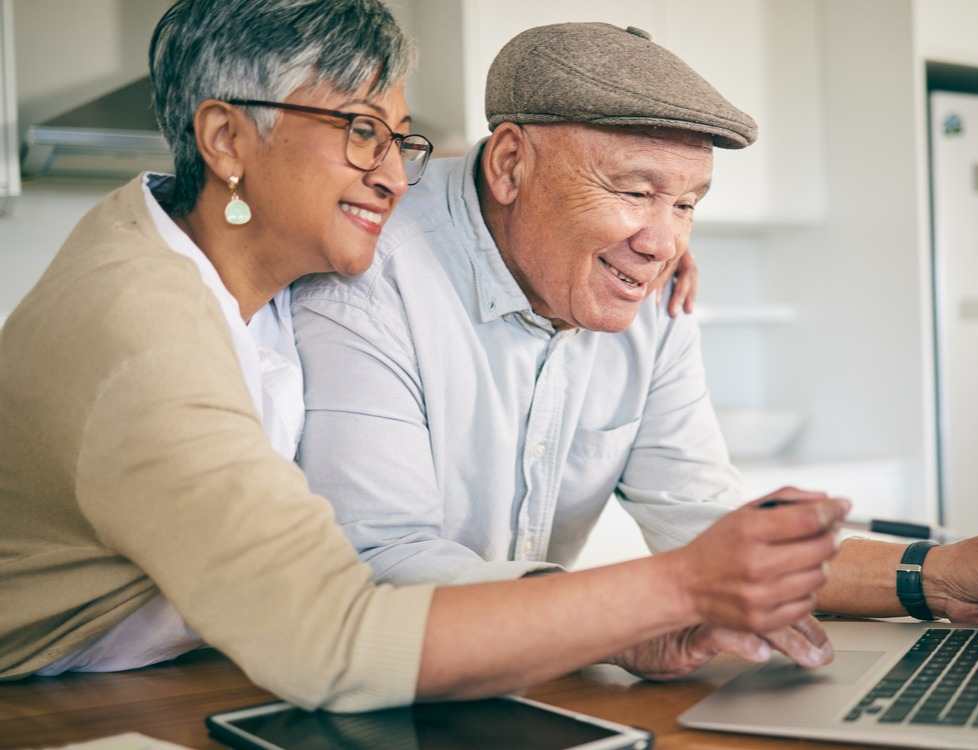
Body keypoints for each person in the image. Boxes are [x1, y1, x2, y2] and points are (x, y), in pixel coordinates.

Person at [0, 0, 848, 711]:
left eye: (399, 140)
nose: (397, 178)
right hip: (46, 704)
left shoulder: (248, 282)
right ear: (225, 141)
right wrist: (665, 595)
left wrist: (627, 225)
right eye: (362, 131)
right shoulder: (144, 330)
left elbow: (468, 195)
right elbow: (333, 635)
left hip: (189, 672)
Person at [292, 22, 978, 634]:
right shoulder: (371, 269)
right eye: (633, 190)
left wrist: (939, 579)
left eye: (687, 204)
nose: (664, 243)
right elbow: (381, 562)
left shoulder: (647, 296)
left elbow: (705, 525)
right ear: (510, 163)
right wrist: (636, 612)